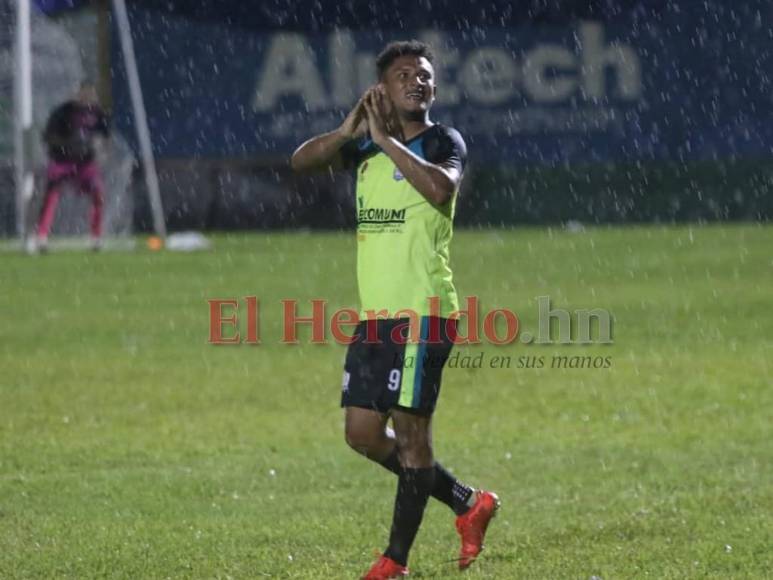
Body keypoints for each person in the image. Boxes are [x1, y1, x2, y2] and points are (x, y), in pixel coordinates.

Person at [291, 40, 499, 579]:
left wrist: (385, 140)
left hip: (424, 313)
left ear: (435, 87)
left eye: (423, 75)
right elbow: (301, 162)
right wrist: (349, 131)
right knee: (361, 434)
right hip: (375, 318)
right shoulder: (362, 150)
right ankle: (468, 502)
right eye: (403, 75)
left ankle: (394, 562)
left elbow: (441, 190)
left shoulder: (443, 141)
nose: (416, 81)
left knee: (412, 439)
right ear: (381, 89)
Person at [32, 83, 110, 253]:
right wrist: (67, 145)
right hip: (62, 162)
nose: (87, 98)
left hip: (86, 163)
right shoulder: (63, 112)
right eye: (84, 93)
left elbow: (105, 135)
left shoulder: (97, 114)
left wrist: (97, 148)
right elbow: (49, 136)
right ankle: (41, 236)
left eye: (90, 94)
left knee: (98, 194)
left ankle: (96, 237)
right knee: (51, 195)